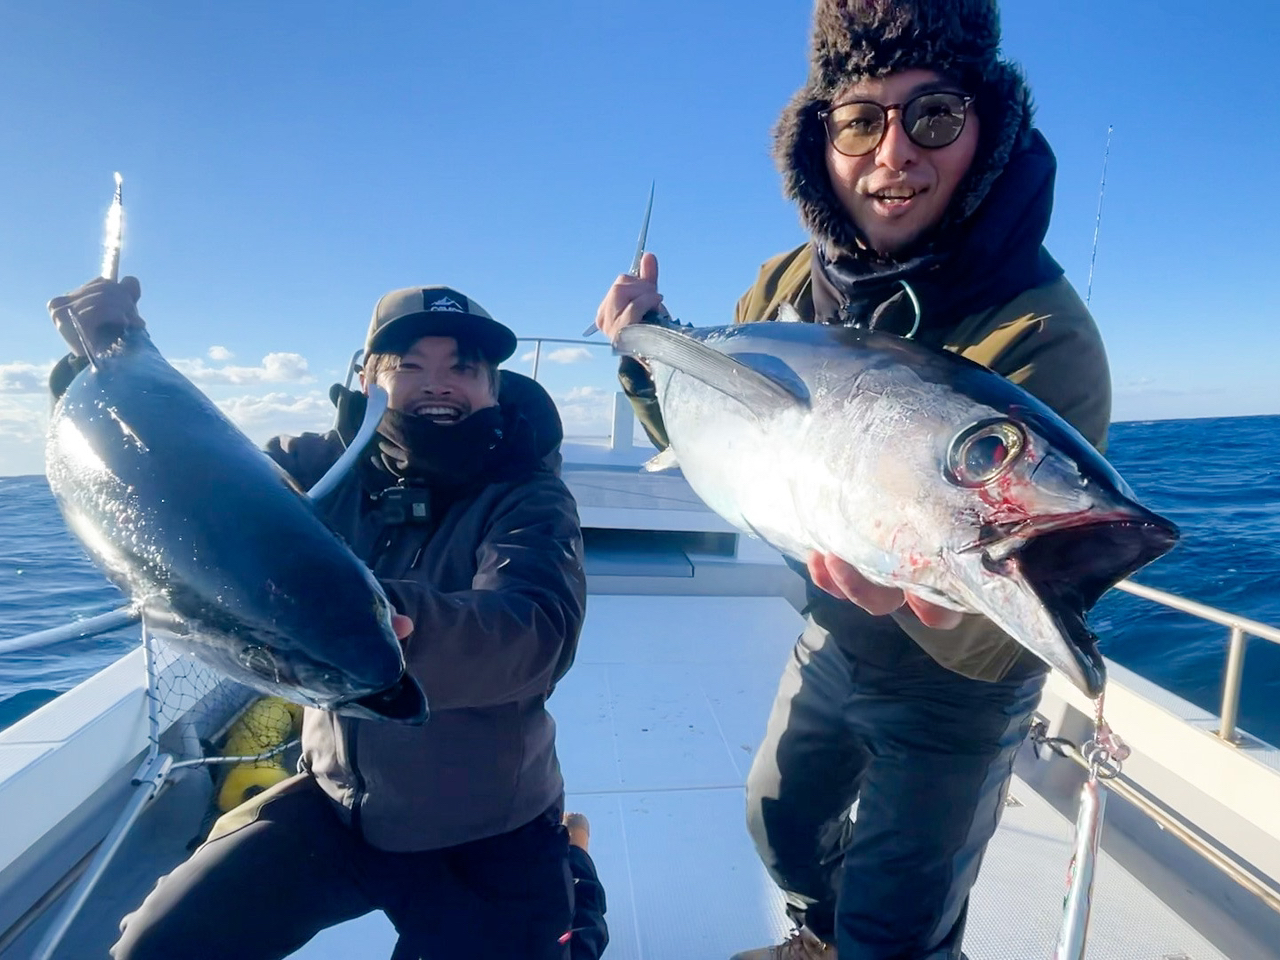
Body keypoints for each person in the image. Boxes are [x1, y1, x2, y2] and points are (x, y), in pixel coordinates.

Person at [593, 0, 1112, 957]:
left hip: (960, 685)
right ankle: (816, 935)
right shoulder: (785, 288)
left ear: (985, 127)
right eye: (861, 119)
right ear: (819, 141)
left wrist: (937, 602)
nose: (895, 154)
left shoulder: (1044, 331)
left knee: (898, 926)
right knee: (778, 825)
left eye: (935, 118)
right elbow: (716, 435)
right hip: (832, 628)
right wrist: (643, 350)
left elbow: (1017, 598)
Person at [47, 278, 608, 960]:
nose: (439, 385)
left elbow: (533, 634)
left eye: (464, 368)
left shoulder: (527, 494)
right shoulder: (316, 468)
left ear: (492, 388)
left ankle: (573, 872)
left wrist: (370, 618)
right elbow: (186, 487)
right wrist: (112, 359)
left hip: (490, 826)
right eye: (409, 366)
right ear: (367, 378)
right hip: (336, 807)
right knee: (155, 949)